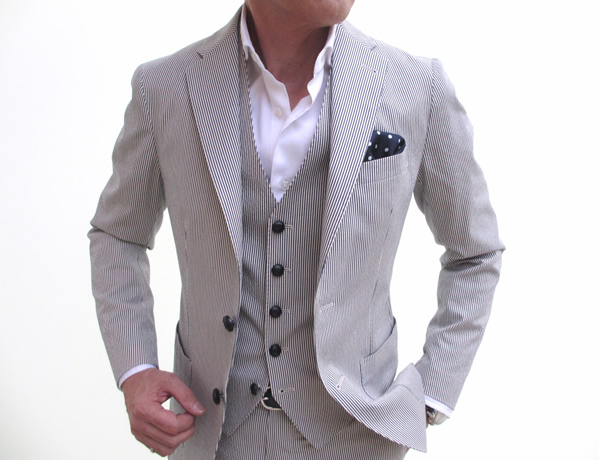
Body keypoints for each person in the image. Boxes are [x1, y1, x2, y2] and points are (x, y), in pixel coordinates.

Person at [89, 0, 504, 458]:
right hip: (212, 434)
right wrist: (135, 370)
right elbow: (118, 235)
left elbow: (476, 251)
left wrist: (431, 392)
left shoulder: (416, 86)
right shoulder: (164, 87)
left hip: (358, 438)